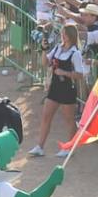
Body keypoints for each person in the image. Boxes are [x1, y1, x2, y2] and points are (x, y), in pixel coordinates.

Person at [28, 24, 86, 157]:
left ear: (71, 35)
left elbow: (80, 74)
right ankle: (40, 147)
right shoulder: (57, 48)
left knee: (69, 120)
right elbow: (45, 63)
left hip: (67, 89)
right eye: (62, 33)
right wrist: (44, 49)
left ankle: (69, 148)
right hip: (55, 87)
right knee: (46, 116)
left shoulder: (75, 53)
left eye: (65, 34)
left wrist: (64, 73)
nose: (62, 36)